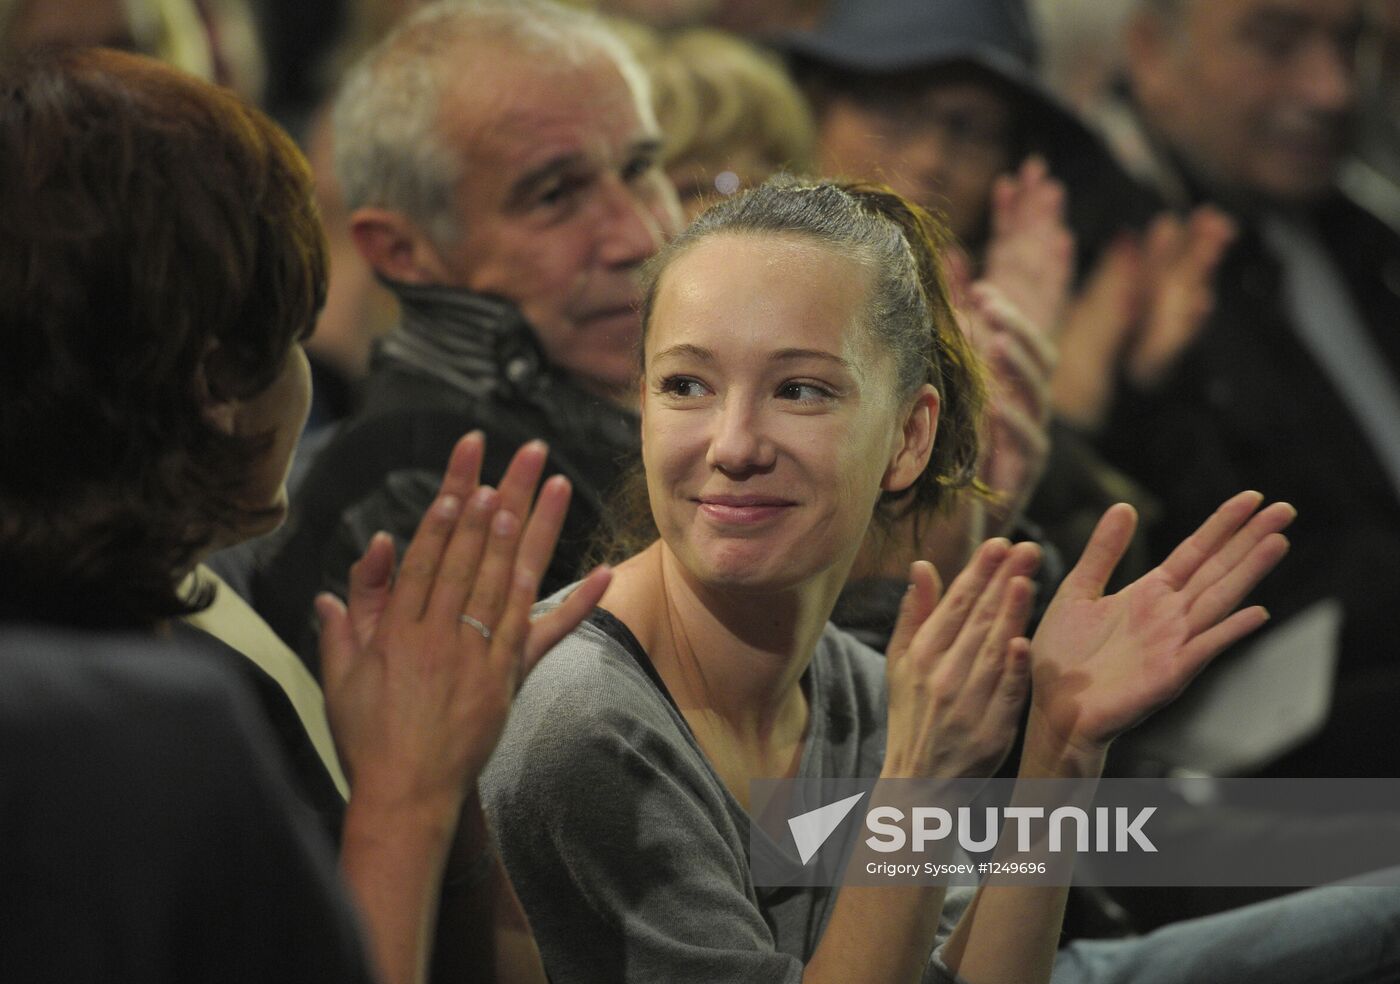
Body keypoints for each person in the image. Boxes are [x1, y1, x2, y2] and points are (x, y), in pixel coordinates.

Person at [471, 177, 1390, 984]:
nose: (734, 443)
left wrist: (1062, 752)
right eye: (685, 386)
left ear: (910, 436)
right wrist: (918, 784)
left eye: (801, 390)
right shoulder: (582, 720)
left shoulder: (869, 689)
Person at [0, 46, 609, 984]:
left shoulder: (182, 590)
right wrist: (407, 796)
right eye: (291, 337)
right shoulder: (132, 720)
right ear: (215, 383)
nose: (633, 232)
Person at [253, 0, 682, 666]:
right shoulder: (426, 500)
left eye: (638, 168)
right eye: (554, 196)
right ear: (401, 250)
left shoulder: (623, 415)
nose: (641, 235)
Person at [1093, 0, 1400, 776]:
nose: (1332, 88)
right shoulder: (1101, 259)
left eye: (1348, 42)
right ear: (1152, 54)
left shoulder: (1355, 229)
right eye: (1275, 41)